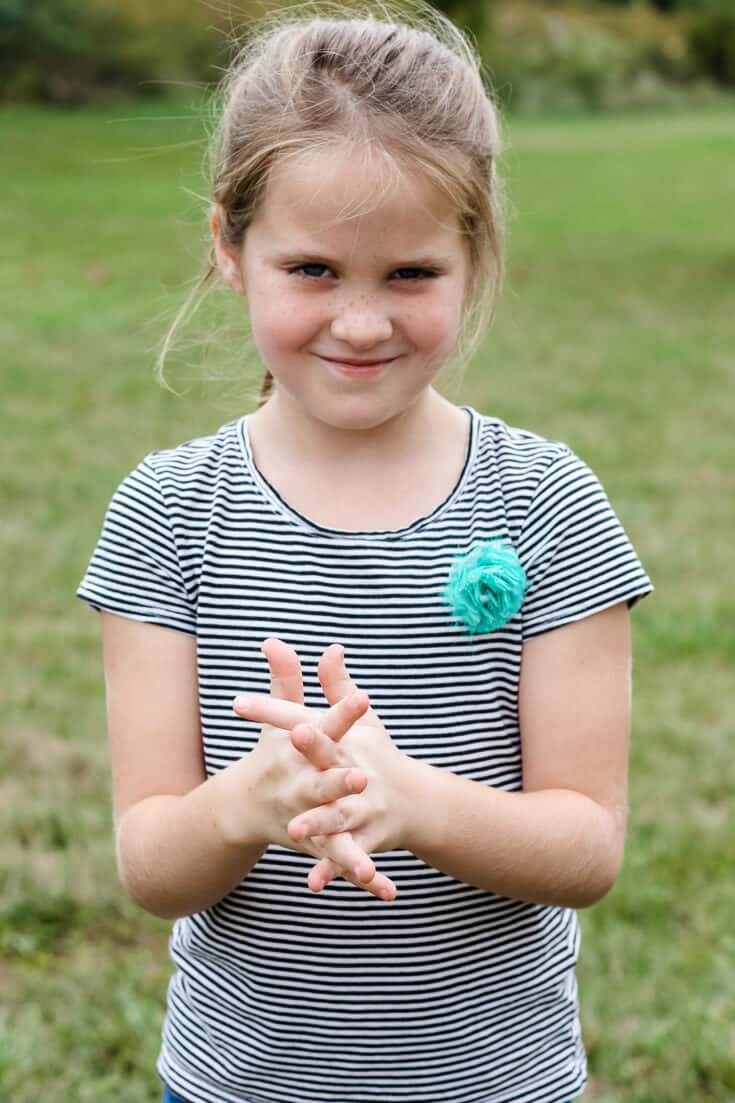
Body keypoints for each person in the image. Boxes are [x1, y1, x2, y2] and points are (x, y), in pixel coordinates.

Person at [76, 4, 653, 1102]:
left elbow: (587, 846)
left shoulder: (546, 502)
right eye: (313, 268)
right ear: (230, 250)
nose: (359, 321)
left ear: (473, 255)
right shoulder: (167, 514)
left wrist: (406, 796)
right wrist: (247, 802)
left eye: (409, 274)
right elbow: (152, 862)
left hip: (495, 1082)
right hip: (238, 1082)